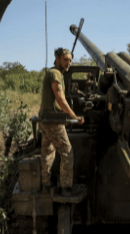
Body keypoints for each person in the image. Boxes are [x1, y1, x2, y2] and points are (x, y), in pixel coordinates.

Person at [39, 48, 84, 196]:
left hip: (45, 120)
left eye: (70, 60)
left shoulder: (53, 73)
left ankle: (46, 186)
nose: (68, 63)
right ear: (57, 58)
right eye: (65, 59)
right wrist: (74, 116)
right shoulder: (55, 74)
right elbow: (60, 99)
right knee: (67, 152)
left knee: (48, 152)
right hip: (53, 121)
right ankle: (66, 189)